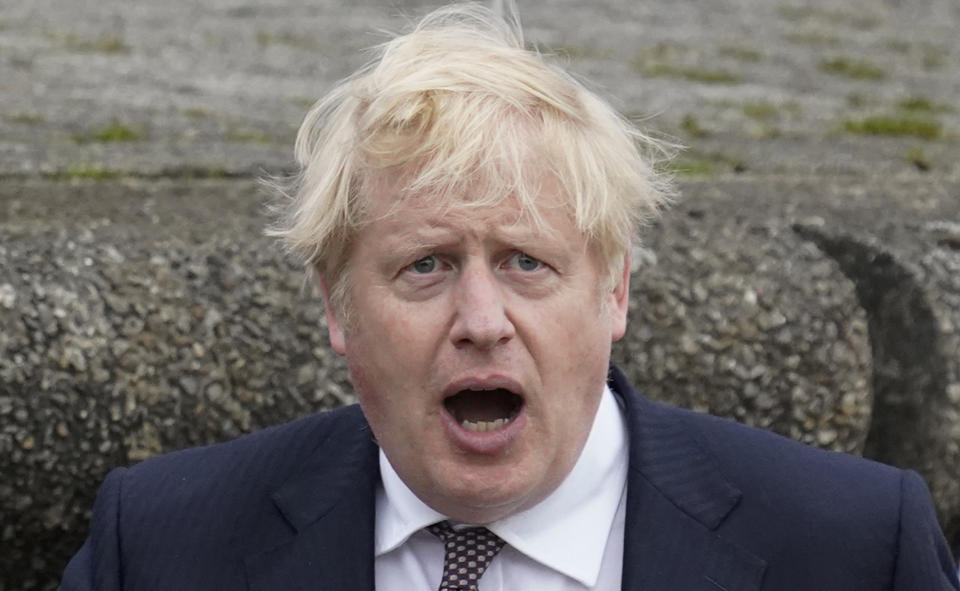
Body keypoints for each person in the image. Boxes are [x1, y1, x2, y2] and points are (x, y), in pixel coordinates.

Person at [61, 3, 959, 590]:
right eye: (426, 266)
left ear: (615, 290)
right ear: (336, 306)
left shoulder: (854, 547)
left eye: (527, 261)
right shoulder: (162, 545)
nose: (482, 322)